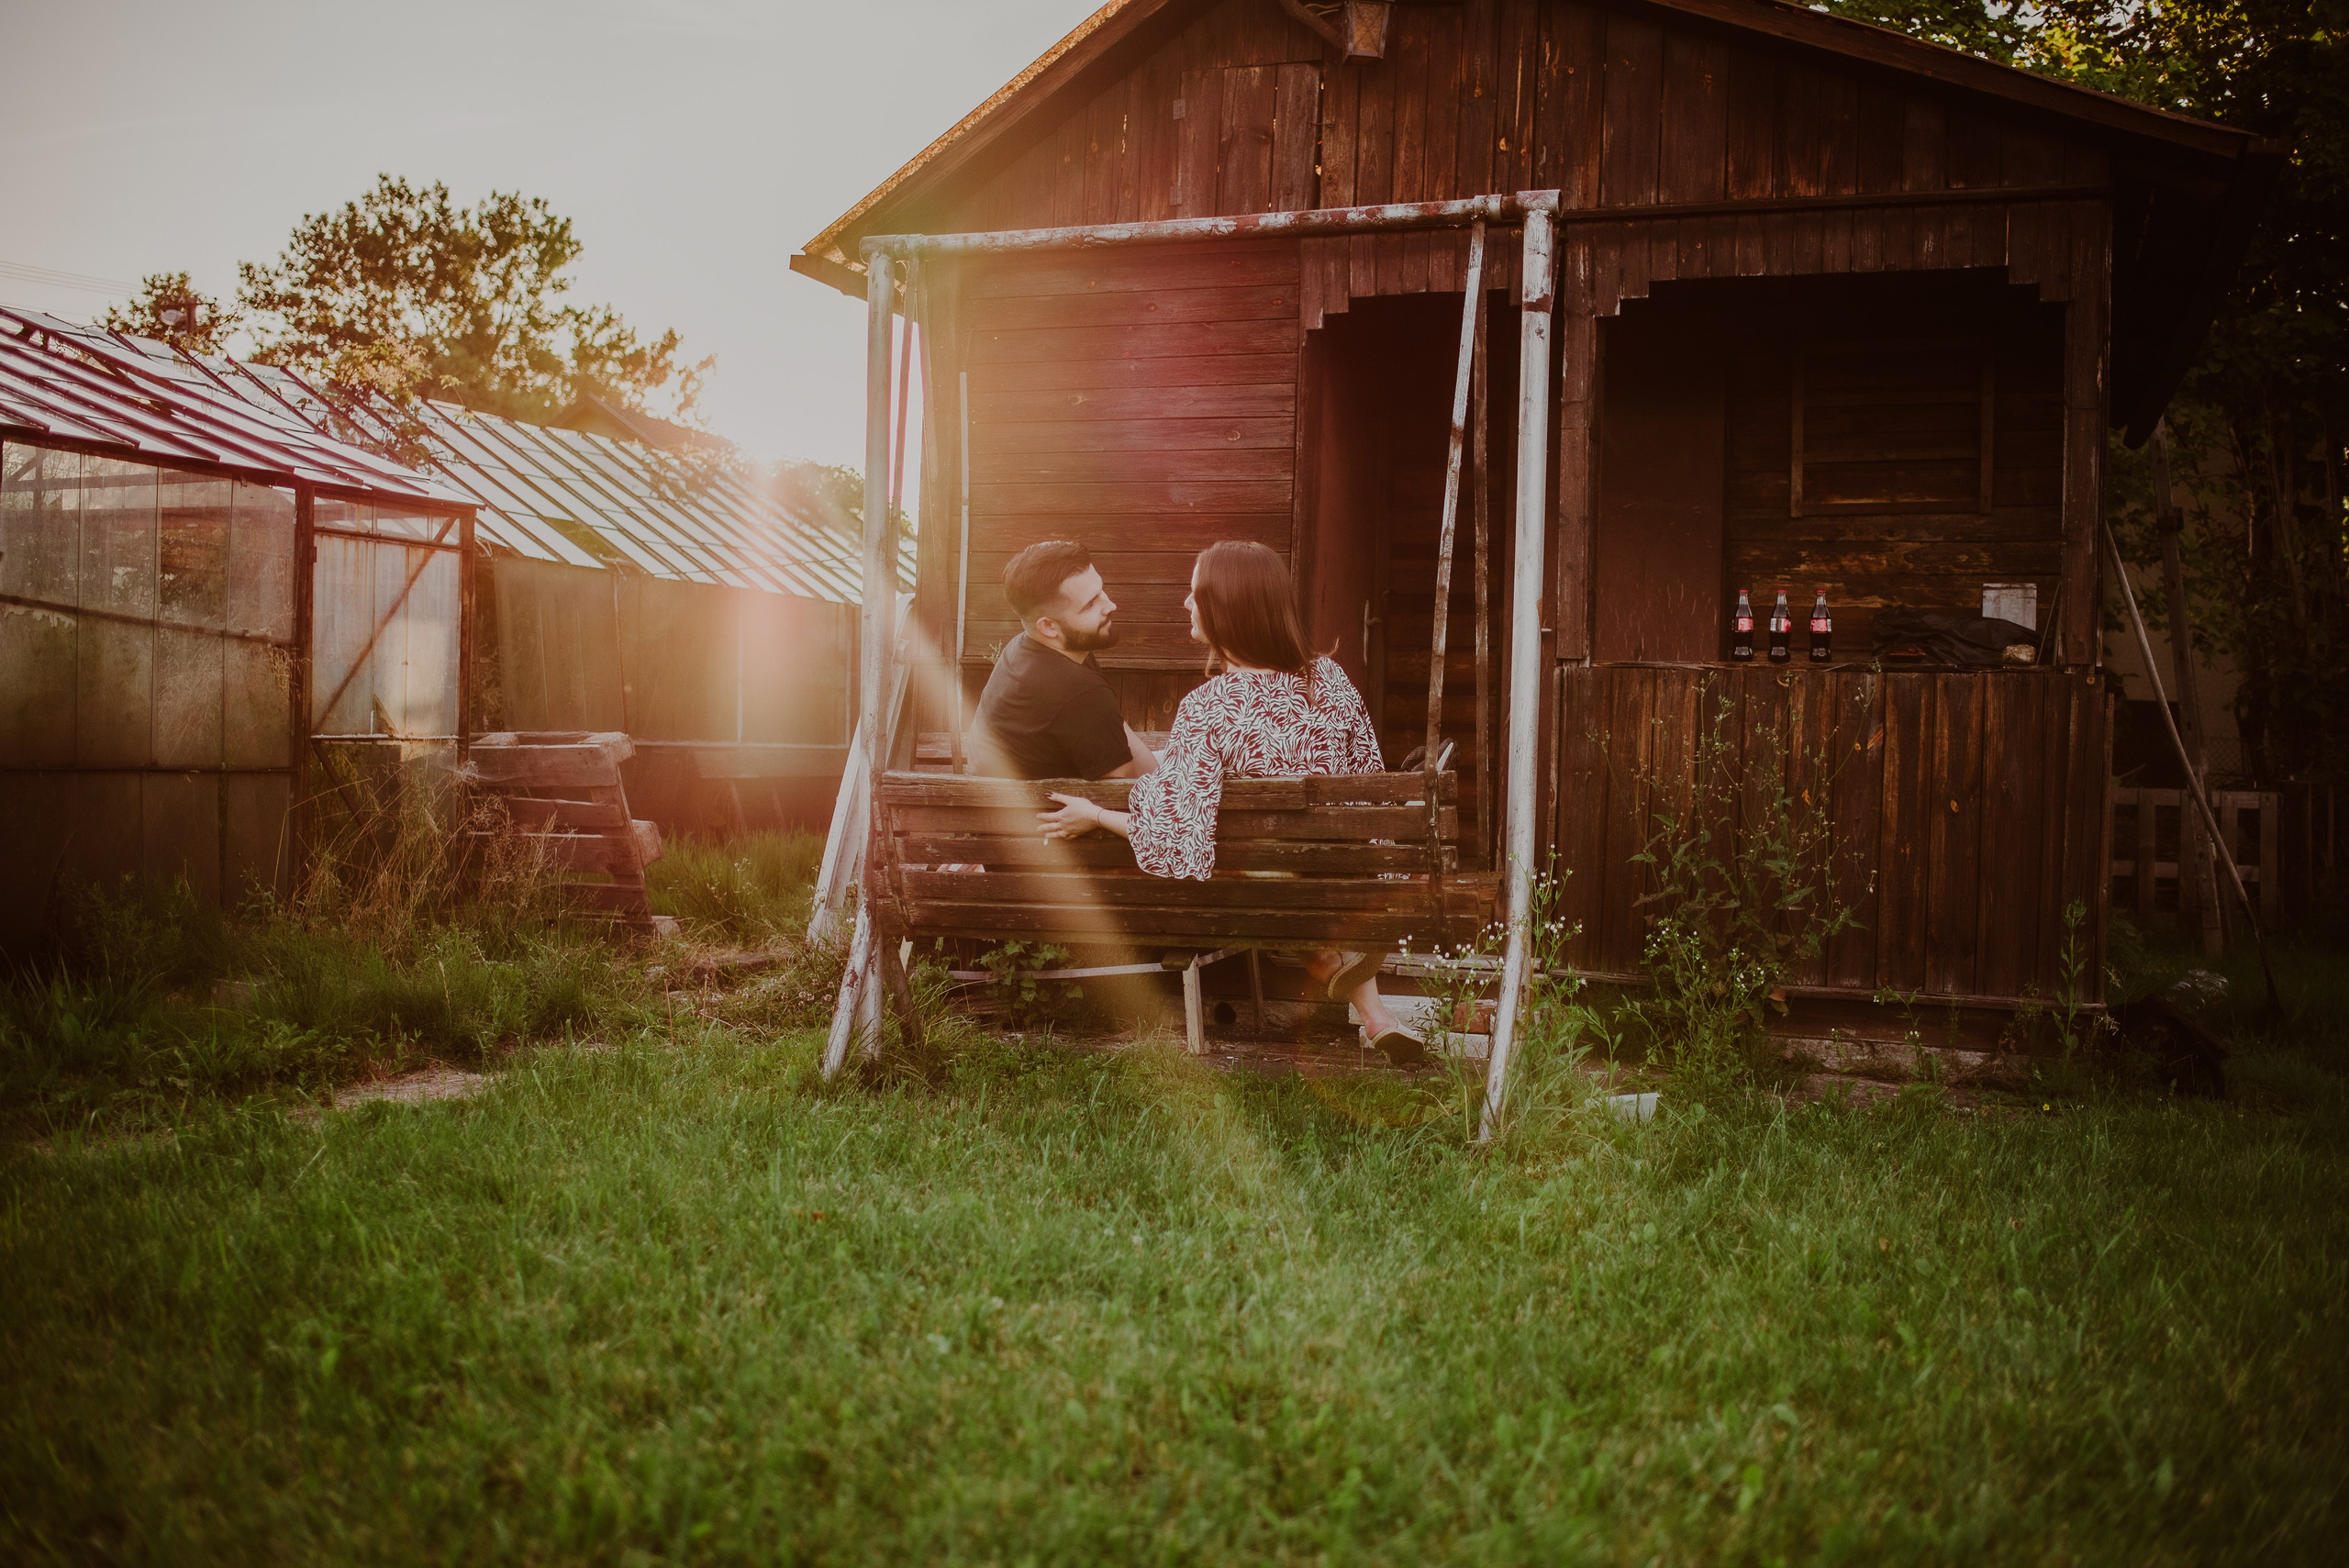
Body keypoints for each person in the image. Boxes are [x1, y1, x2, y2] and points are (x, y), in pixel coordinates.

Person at [1034, 539, 1428, 1065]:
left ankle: (1337, 970)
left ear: (1227, 610)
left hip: (1257, 895)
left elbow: (1177, 834)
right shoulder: (1333, 682)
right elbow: (1369, 790)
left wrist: (1097, 814)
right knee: (1282, 865)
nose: (1185, 604)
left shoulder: (1209, 706)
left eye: (1195, 594)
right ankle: (1374, 1016)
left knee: (1238, 860)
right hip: (1338, 885)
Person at [971, 539, 1156, 781]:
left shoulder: (1025, 647)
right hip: (1038, 814)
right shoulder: (1076, 690)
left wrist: (1162, 775)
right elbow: (1124, 787)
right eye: (1090, 604)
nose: (1110, 605)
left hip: (992, 802)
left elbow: (1119, 734)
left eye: (1101, 591)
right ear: (1048, 626)